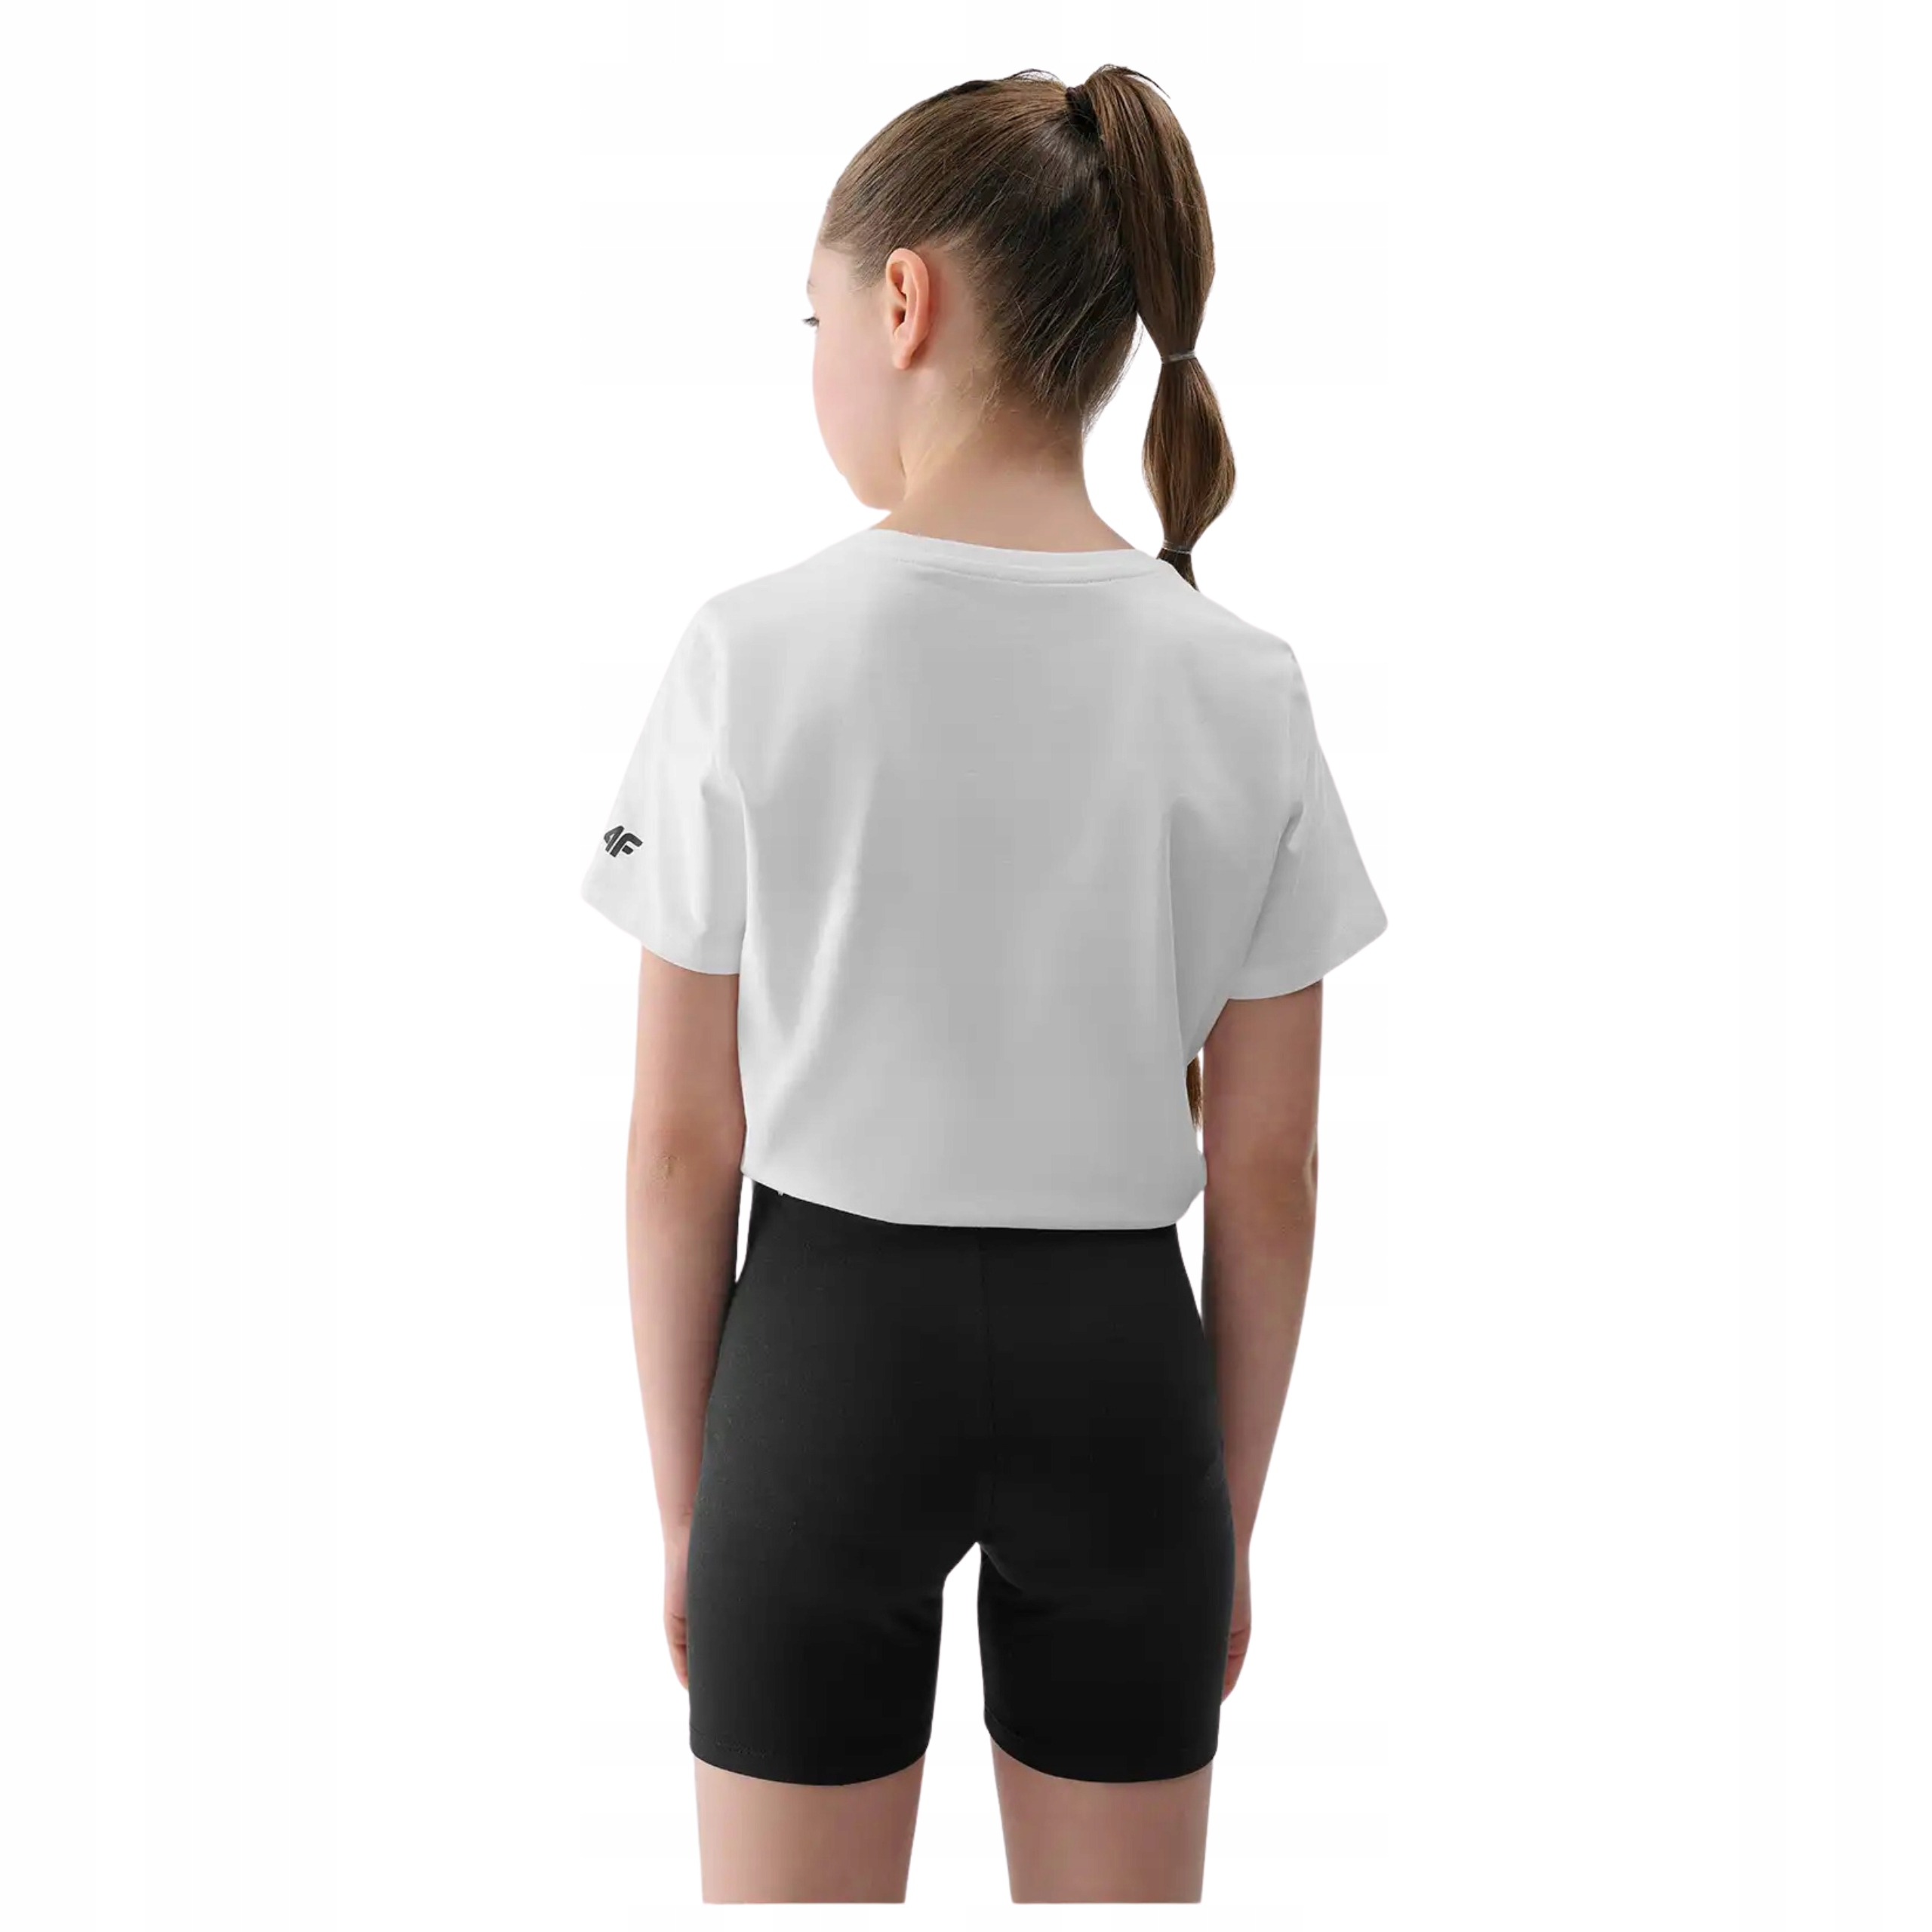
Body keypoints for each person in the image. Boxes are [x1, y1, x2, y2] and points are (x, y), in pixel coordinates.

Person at [580, 63, 1388, 1904]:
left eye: (812, 319)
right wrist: (1220, 1506)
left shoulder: (746, 654)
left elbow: (678, 1143)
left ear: (901, 299)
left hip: (818, 1368)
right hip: (1120, 1379)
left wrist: (693, 1505)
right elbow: (1268, 1169)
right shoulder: (1239, 681)